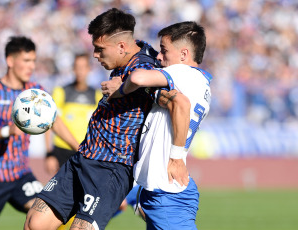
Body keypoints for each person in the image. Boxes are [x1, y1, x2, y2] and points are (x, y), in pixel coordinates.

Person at [24, 8, 160, 230]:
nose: (95, 55)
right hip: (83, 157)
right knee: (35, 223)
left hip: (111, 167)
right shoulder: (127, 57)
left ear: (121, 47)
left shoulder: (145, 66)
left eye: (99, 49)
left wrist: (126, 86)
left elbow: (167, 90)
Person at [102, 21, 212, 229]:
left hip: (167, 193)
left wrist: (122, 88)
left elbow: (138, 77)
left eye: (164, 50)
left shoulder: (184, 73)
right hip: (161, 191)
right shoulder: (198, 83)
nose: (159, 57)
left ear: (183, 54)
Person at [0, 36, 79, 230]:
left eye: (33, 61)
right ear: (10, 61)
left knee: (47, 215)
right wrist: (5, 131)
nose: (31, 66)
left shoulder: (35, 92)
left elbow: (55, 122)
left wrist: (81, 149)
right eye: (26, 61)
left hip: (21, 174)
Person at [45, 53, 102, 176]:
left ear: (89, 69)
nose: (80, 71)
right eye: (77, 67)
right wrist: (49, 154)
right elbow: (49, 123)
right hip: (61, 150)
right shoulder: (61, 92)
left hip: (84, 151)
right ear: (73, 69)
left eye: (83, 67)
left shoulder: (97, 95)